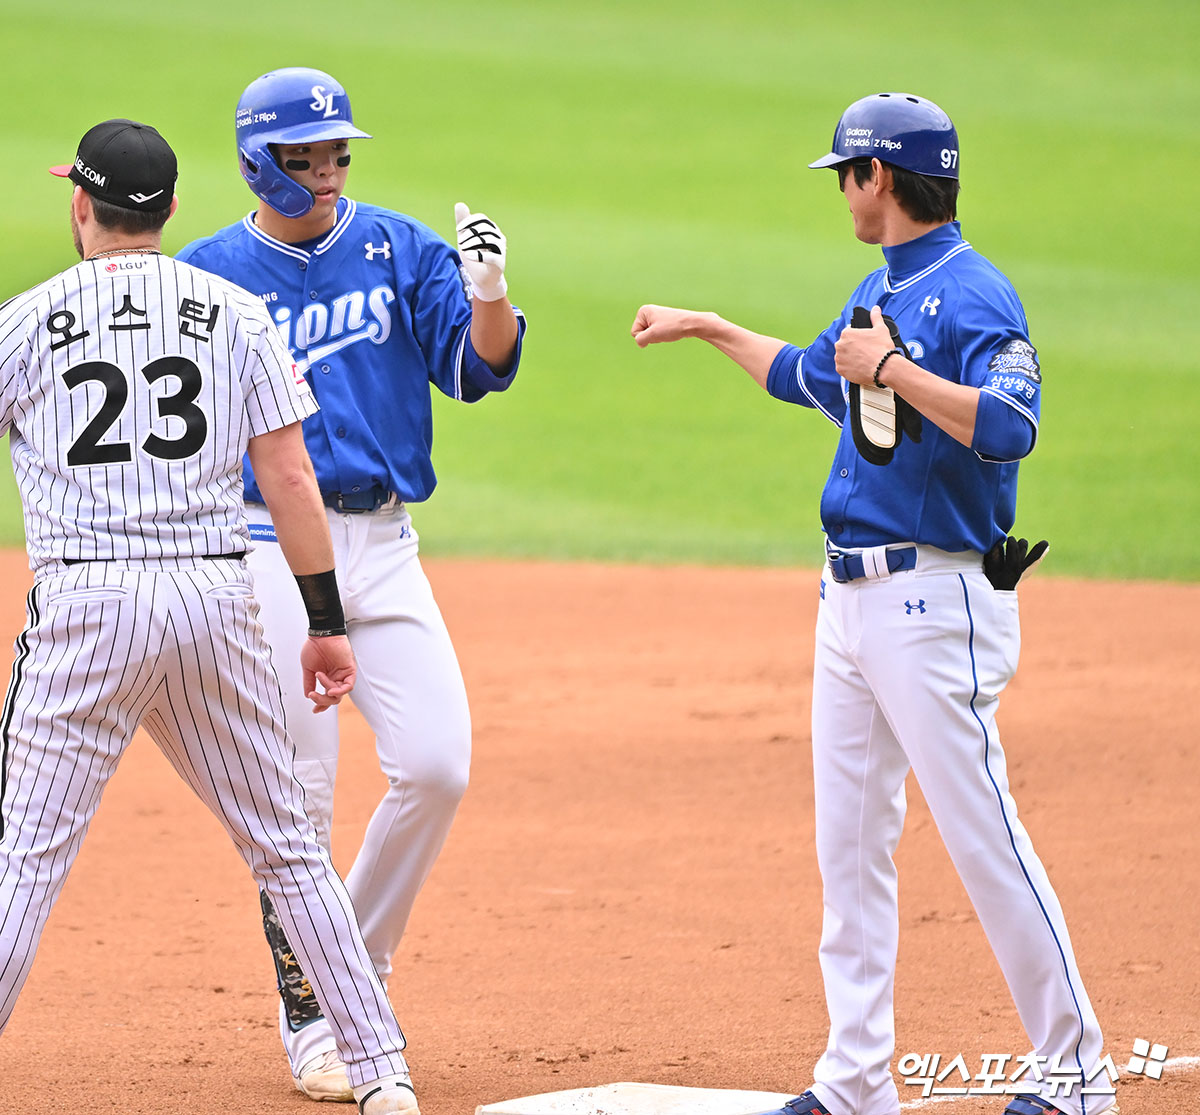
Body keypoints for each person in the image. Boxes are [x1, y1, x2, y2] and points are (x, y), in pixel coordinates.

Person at [631, 93, 1116, 1115]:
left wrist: (892, 366)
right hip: (848, 604)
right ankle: (854, 1080)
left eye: (845, 174)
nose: (841, 191)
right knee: (848, 851)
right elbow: (808, 376)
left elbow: (1014, 425)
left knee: (984, 834)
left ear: (879, 179)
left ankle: (1077, 1075)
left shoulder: (975, 293)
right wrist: (709, 325)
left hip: (937, 600)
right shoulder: (876, 285)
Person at [0, 119, 419, 1115]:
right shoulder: (233, 312)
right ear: (171, 210)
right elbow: (288, 475)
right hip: (211, 598)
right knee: (288, 845)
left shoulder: (25, 319)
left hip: (88, 604)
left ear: (81, 204)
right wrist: (324, 617)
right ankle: (382, 1071)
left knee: (24, 853)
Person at [176, 67, 526, 1101]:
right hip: (263, 546)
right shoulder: (210, 274)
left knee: (438, 763)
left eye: (337, 153)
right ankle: (312, 1018)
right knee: (306, 794)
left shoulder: (399, 247)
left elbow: (477, 370)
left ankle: (352, 970)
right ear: (259, 159)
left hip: (385, 539)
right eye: (306, 156)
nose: (327, 172)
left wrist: (491, 296)